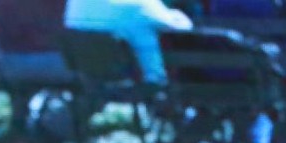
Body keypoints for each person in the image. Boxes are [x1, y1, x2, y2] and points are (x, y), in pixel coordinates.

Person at [66, 0, 196, 84]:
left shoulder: (76, 3)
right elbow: (183, 27)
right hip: (140, 83)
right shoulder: (142, 3)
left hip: (88, 78)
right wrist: (176, 14)